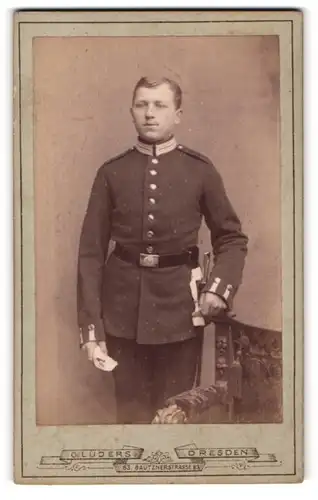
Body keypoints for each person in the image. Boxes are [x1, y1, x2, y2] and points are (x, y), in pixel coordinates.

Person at [77, 76, 248, 424]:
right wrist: (92, 331)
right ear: (131, 112)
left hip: (180, 315)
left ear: (178, 114)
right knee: (131, 419)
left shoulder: (200, 171)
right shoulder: (111, 173)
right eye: (142, 105)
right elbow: (90, 255)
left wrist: (219, 290)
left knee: (173, 417)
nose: (150, 113)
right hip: (122, 315)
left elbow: (231, 239)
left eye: (160, 105)